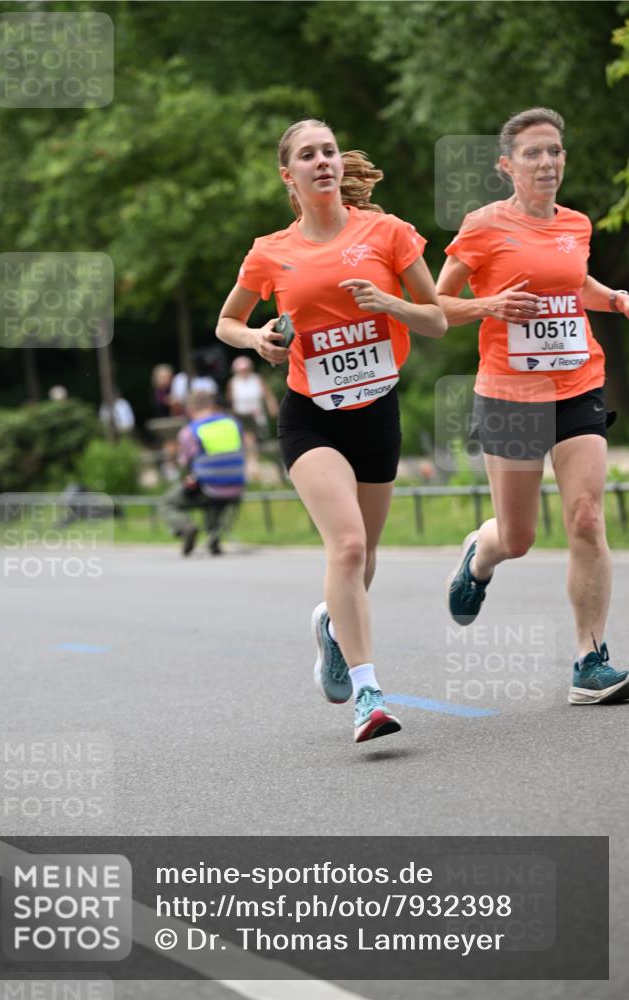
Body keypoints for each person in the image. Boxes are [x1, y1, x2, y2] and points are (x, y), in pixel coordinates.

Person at [216, 119, 447, 743]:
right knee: (346, 547)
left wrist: (389, 303)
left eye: (328, 152)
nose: (322, 161)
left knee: (364, 559)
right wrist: (258, 337)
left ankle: (332, 629)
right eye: (307, 156)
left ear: (341, 166)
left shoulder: (389, 232)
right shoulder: (271, 250)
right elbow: (227, 322)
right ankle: (369, 694)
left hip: (378, 410)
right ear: (288, 176)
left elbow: (436, 321)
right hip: (309, 414)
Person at [436, 107, 629, 706]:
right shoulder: (482, 227)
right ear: (506, 166)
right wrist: (489, 304)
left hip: (577, 383)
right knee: (518, 537)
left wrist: (618, 298)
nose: (547, 162)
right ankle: (480, 556)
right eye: (532, 154)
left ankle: (589, 661)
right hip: (510, 393)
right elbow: (439, 303)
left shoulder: (576, 224)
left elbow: (577, 284)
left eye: (554, 151)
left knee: (587, 518)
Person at [161, 390, 245, 556]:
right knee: (212, 493)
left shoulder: (191, 431)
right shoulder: (233, 424)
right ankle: (214, 542)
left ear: (191, 409)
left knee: (168, 502)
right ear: (212, 405)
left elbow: (185, 464)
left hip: (209, 488)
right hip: (237, 488)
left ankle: (185, 527)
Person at [226, 355, 279, 474]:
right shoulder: (233, 382)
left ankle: (257, 459)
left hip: (257, 413)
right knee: (248, 438)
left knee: (259, 436)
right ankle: (252, 461)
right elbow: (230, 401)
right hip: (242, 414)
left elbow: (268, 395)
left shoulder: (257, 379)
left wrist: (272, 407)